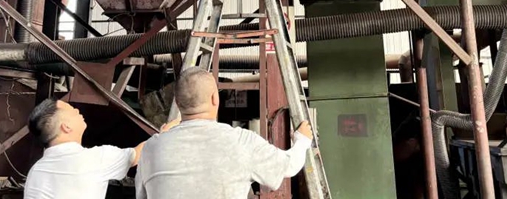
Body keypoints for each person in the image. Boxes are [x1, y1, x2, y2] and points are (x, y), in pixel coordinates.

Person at [135, 68, 314, 199]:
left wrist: (162, 139)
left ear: (177, 102)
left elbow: (142, 195)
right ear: (215, 98)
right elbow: (290, 165)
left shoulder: (150, 148)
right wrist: (302, 139)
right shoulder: (242, 142)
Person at [23, 98, 177, 199]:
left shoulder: (36, 171)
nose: (77, 111)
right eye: (72, 110)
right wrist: (165, 133)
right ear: (66, 127)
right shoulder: (94, 159)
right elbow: (137, 155)